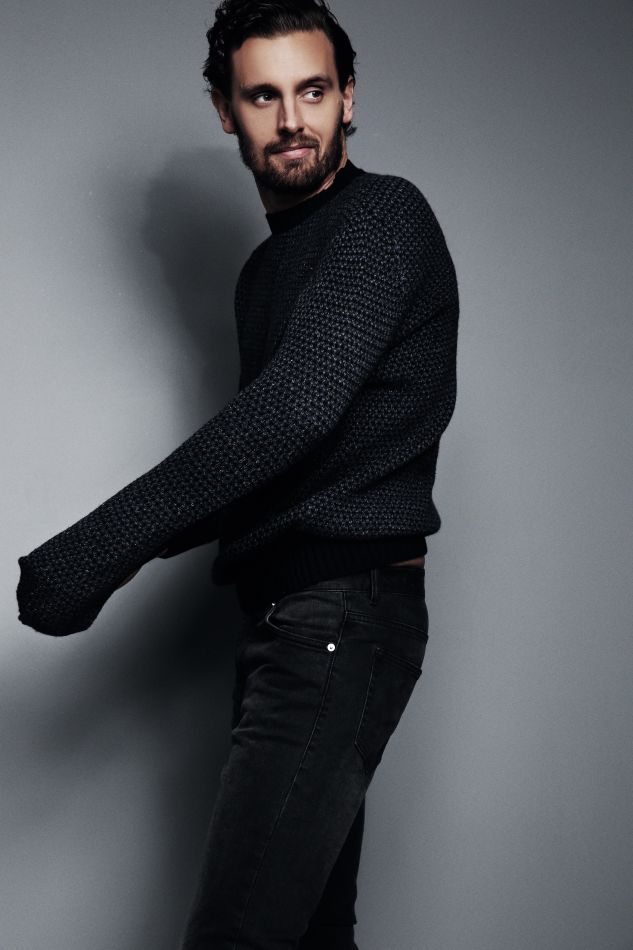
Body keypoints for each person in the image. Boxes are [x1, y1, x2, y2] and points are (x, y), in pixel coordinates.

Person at [16, 0, 459, 946]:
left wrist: (95, 552)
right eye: (263, 96)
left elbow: (289, 415)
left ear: (349, 98)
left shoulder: (382, 217)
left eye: (313, 90)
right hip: (285, 619)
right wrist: (110, 562)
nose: (292, 119)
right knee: (307, 934)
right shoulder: (265, 271)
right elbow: (264, 463)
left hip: (341, 620)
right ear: (226, 110)